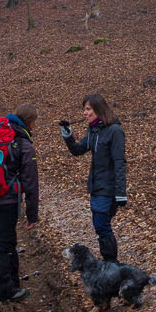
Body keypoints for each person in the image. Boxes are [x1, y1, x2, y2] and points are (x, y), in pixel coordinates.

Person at [0, 105, 41, 303]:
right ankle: (6, 290)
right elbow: (31, 183)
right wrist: (32, 215)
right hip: (7, 201)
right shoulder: (23, 145)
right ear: (30, 122)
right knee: (5, 243)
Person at [62, 93, 126, 263]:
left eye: (88, 109)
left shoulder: (115, 131)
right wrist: (68, 135)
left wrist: (121, 192)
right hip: (96, 186)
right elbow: (77, 150)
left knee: (101, 225)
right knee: (101, 226)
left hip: (108, 188)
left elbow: (120, 162)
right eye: (84, 109)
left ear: (99, 109)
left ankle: (111, 264)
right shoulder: (94, 131)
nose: (85, 113)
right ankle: (110, 264)